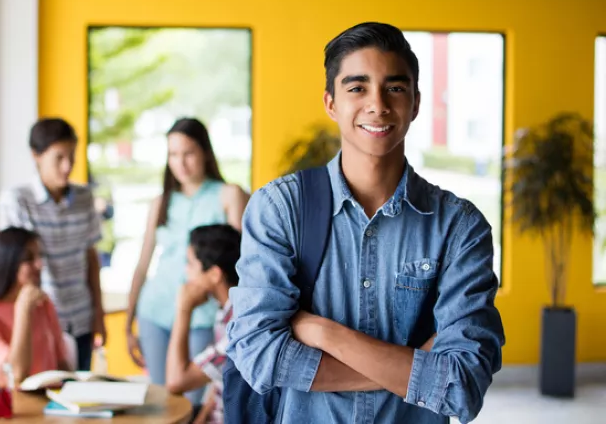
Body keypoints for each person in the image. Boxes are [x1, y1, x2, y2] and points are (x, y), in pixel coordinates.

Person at [226, 22, 505, 423]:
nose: (377, 104)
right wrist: (411, 370)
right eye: (357, 88)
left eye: (394, 87)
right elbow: (259, 356)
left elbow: (461, 384)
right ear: (331, 103)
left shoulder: (459, 227)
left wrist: (325, 334)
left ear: (416, 102)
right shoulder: (281, 207)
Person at [125, 117, 249, 405]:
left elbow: (242, 265)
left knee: (191, 403)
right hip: (155, 312)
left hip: (203, 317)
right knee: (159, 402)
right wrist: (128, 323)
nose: (181, 163)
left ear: (205, 152)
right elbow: (142, 264)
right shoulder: (161, 202)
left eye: (189, 153)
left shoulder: (229, 195)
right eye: (173, 155)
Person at [0, 118, 105, 371]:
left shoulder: (84, 198)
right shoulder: (17, 200)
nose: (67, 166)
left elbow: (91, 257)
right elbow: (16, 266)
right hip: (39, 321)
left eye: (72, 157)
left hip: (81, 319)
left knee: (81, 399)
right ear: (36, 155)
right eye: (59, 158)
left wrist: (99, 314)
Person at [0, 227, 71, 386]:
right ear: (6, 263)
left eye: (39, 256)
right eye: (28, 259)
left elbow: (62, 365)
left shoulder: (43, 304)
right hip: (6, 408)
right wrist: (23, 310)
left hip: (49, 404)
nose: (39, 265)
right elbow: (16, 373)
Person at [165, 224, 241, 424]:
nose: (186, 271)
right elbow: (218, 379)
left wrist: (183, 309)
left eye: (191, 263)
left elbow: (176, 382)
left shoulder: (239, 326)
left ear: (215, 274)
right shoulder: (226, 309)